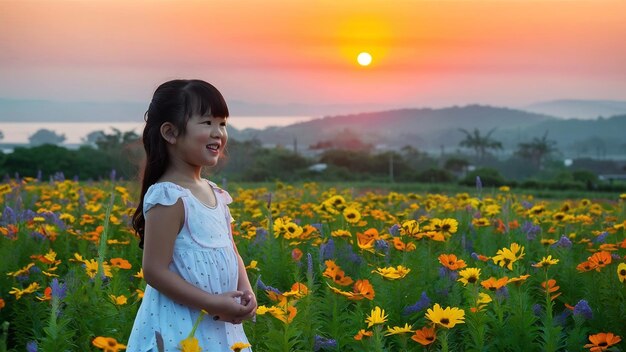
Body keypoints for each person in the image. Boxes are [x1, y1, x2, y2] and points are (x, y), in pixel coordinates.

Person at [127, 79, 256, 351]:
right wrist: (210, 302)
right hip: (179, 327)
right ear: (171, 133)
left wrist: (247, 292)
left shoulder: (216, 194)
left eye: (222, 123)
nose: (218, 133)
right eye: (207, 122)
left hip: (220, 324)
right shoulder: (169, 196)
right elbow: (154, 270)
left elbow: (232, 252)